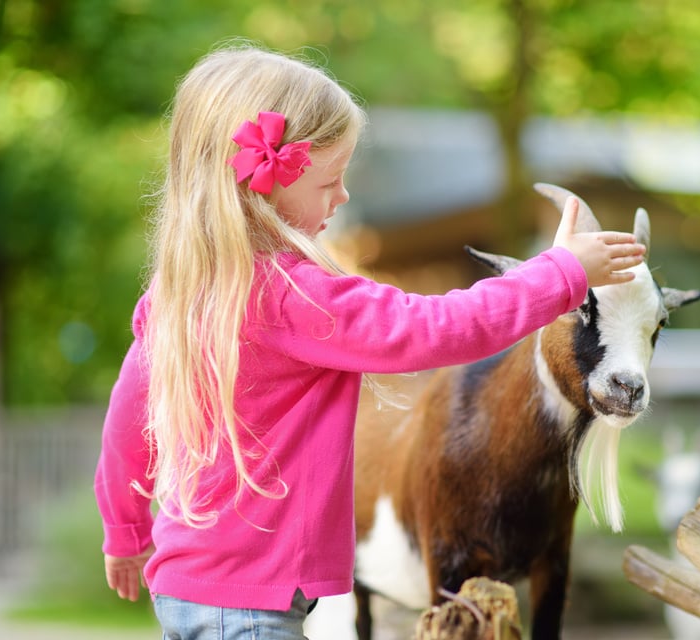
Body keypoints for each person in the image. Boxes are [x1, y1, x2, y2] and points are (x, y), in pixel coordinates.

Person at [94, 41, 646, 640]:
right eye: (331, 180)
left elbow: (128, 425)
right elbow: (437, 328)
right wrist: (562, 273)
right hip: (251, 611)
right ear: (270, 181)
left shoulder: (179, 295)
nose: (343, 197)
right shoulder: (294, 298)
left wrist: (125, 534)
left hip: (186, 591)